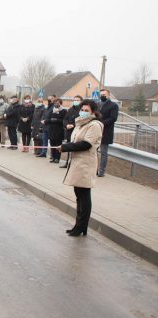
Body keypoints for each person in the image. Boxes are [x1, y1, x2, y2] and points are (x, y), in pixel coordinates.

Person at [59, 99, 103, 236]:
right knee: (78, 195)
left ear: (93, 112)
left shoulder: (94, 125)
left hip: (86, 163)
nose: (83, 112)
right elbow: (75, 140)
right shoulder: (81, 123)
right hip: (78, 162)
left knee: (84, 195)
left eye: (86, 111)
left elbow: (86, 144)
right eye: (82, 110)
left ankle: (82, 226)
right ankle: (79, 225)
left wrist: (65, 148)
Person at [98, 89, 118, 177]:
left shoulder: (113, 105)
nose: (102, 96)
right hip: (96, 130)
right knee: (93, 151)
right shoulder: (97, 104)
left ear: (108, 95)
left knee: (103, 152)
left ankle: (101, 171)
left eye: (104, 94)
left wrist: (102, 123)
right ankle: (94, 169)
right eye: (101, 94)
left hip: (106, 132)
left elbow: (113, 118)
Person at [60, 95, 83, 168]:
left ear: (81, 101)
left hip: (77, 132)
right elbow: (65, 119)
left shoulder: (82, 110)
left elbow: (81, 120)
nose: (76, 101)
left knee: (75, 149)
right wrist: (66, 125)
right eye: (75, 100)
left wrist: (73, 125)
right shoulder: (70, 109)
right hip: (69, 132)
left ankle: (73, 164)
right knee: (69, 147)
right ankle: (67, 163)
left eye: (77, 100)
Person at [46, 98, 67, 163]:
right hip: (51, 130)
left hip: (59, 131)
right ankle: (53, 157)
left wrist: (57, 120)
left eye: (58, 103)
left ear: (60, 103)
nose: (56, 104)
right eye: (55, 103)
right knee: (52, 144)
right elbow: (48, 119)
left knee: (58, 145)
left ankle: (57, 158)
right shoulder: (51, 110)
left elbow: (64, 120)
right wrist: (51, 120)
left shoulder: (64, 111)